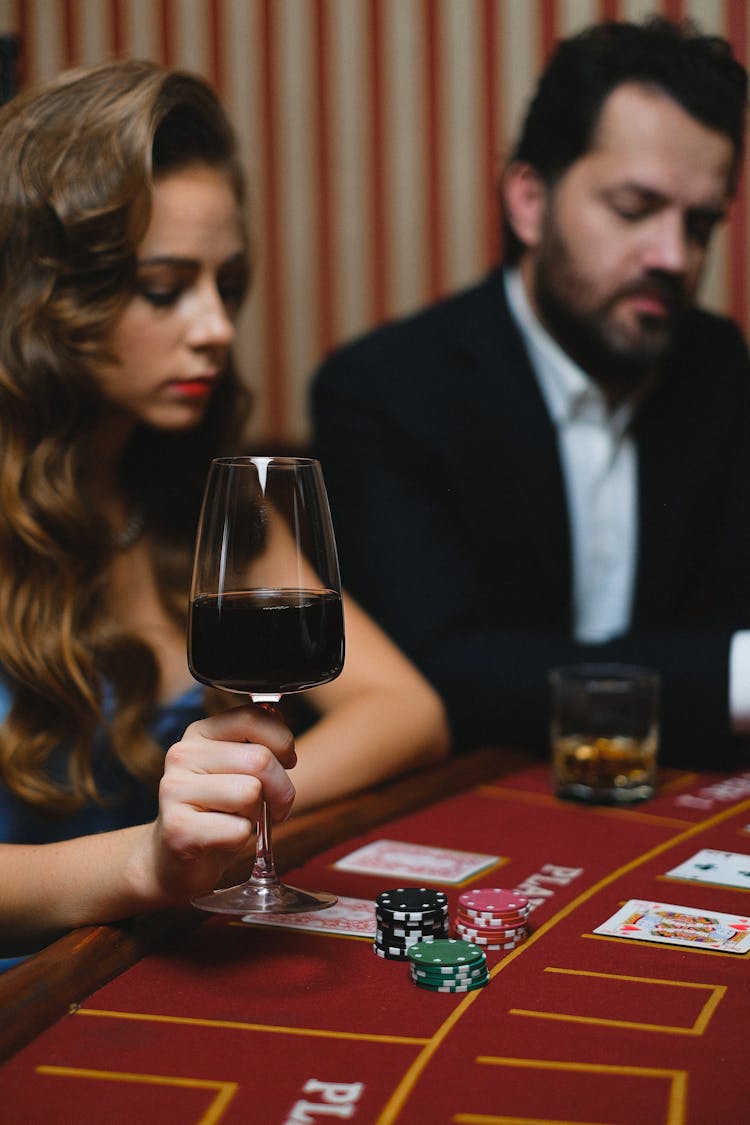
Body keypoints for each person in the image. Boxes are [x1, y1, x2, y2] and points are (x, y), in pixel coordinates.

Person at [0, 59, 450, 957]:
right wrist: (149, 859)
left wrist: (232, 816)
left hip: (152, 959)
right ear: (48, 298)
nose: (216, 326)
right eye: (164, 288)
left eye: (226, 283)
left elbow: (407, 709)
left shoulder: (188, 494)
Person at [311, 17, 750, 769]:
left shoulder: (716, 365)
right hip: (462, 802)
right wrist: (731, 675)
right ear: (529, 201)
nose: (675, 257)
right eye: (634, 208)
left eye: (700, 222)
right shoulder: (386, 389)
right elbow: (444, 675)